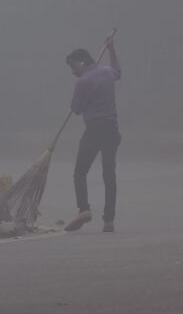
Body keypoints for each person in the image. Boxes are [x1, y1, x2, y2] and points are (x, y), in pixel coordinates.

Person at [63, 35, 122, 232]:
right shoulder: (106, 72)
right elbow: (118, 71)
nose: (72, 72)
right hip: (111, 130)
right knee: (109, 175)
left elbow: (77, 109)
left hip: (94, 130)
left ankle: (84, 209)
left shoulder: (82, 83)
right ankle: (109, 220)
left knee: (80, 172)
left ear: (81, 62)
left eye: (73, 67)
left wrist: (80, 95)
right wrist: (112, 49)